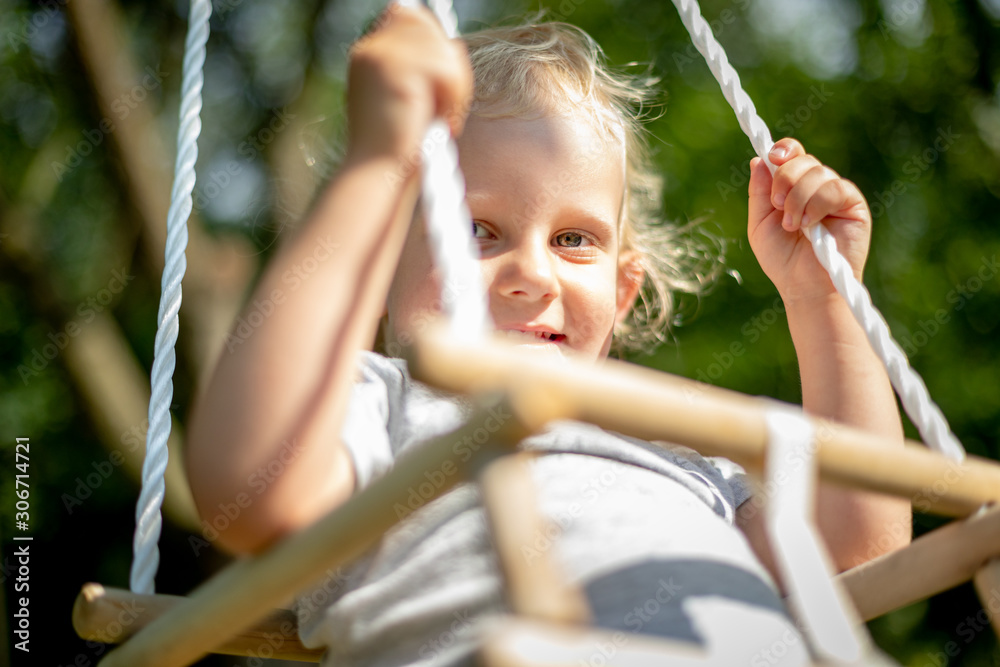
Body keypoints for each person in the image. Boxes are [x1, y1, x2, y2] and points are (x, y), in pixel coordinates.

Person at [185, 5, 911, 665]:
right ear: (378, 261)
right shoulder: (379, 411)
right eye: (476, 229)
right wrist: (378, 162)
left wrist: (823, 301)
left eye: (572, 238)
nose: (531, 274)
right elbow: (244, 490)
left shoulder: (682, 459)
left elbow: (856, 546)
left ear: (623, 291)